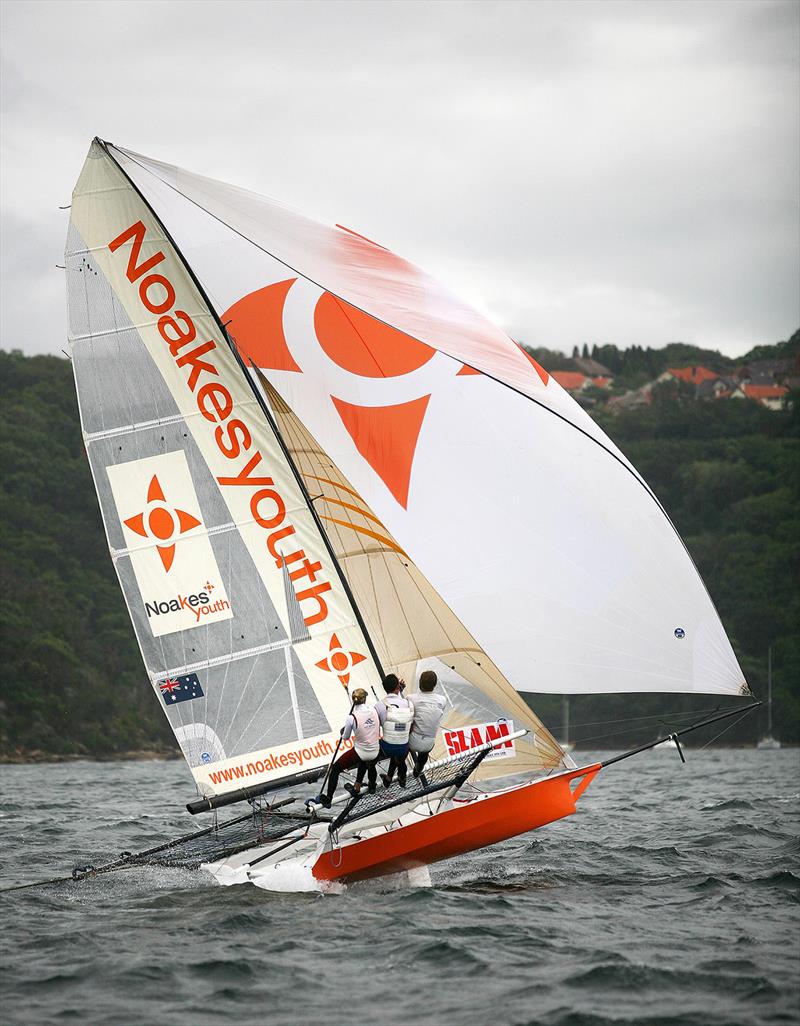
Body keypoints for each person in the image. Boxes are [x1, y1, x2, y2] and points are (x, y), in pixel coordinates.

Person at [313, 689, 382, 808]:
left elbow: (345, 737)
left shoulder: (352, 717)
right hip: (375, 750)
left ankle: (328, 798)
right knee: (368, 762)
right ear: (365, 699)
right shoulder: (374, 710)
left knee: (335, 769)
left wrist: (343, 731)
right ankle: (370, 786)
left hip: (361, 752)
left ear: (353, 701)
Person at [375, 673, 414, 787]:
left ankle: (383, 780)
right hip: (404, 746)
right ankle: (400, 777)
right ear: (398, 687)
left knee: (391, 739)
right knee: (399, 738)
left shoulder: (378, 706)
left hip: (387, 748)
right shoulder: (407, 703)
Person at [408, 669, 447, 778]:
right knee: (424, 749)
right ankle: (418, 769)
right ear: (435, 685)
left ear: (420, 683)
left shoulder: (411, 698)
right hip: (429, 745)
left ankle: (400, 768)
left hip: (411, 743)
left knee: (405, 729)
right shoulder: (442, 700)